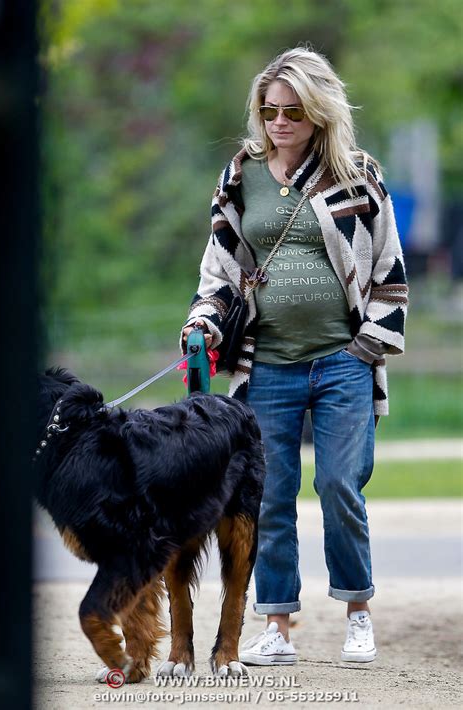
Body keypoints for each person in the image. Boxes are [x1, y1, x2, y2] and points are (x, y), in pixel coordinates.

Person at [181, 47, 408, 665]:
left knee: (339, 484)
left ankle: (357, 613)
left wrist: (368, 347)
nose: (278, 122)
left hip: (343, 360)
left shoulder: (357, 174)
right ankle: (277, 625)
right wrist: (202, 322)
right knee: (269, 496)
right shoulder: (241, 174)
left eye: (293, 112)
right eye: (269, 110)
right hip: (268, 366)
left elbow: (389, 271)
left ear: (319, 113)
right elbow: (218, 272)